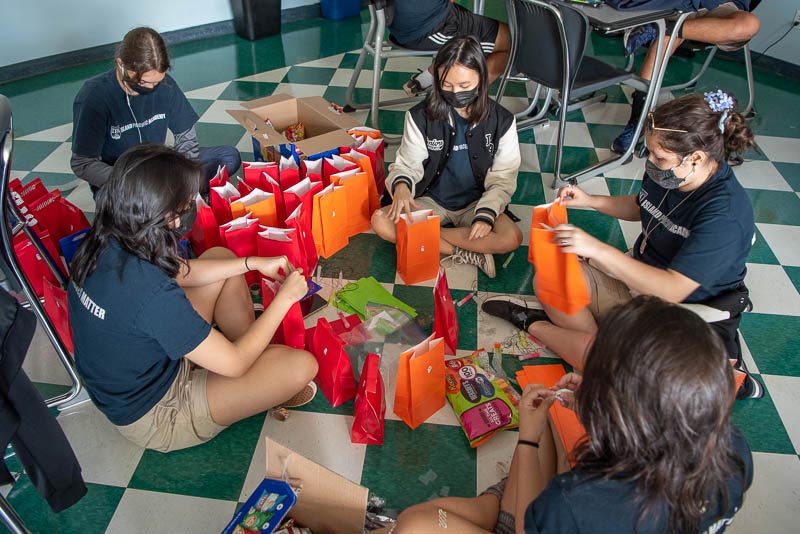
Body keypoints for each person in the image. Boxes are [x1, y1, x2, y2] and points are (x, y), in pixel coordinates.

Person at [483, 91, 762, 398]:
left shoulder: (725, 216)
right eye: (650, 151)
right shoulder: (672, 172)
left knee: (629, 373)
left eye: (659, 157)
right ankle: (599, 346)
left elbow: (672, 289)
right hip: (635, 289)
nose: (649, 161)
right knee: (549, 278)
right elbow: (643, 205)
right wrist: (591, 201)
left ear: (695, 157)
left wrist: (598, 250)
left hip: (684, 315)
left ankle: (539, 326)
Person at [395, 296, 753, 533]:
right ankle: (497, 504)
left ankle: (501, 506)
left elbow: (531, 525)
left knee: (414, 524)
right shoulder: (734, 449)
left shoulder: (578, 504)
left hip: (543, 520)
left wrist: (528, 439)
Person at [67, 144, 317, 453]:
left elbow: (178, 273)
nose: (191, 208)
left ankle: (247, 358)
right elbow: (236, 364)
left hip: (133, 375)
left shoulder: (107, 238)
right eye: (186, 203)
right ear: (163, 213)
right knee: (301, 366)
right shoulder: (149, 293)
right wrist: (285, 299)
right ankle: (252, 370)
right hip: (158, 415)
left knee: (221, 260)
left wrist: (251, 262)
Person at [371, 36, 522, 279]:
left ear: (481, 79)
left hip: (477, 202)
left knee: (512, 237)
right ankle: (464, 251)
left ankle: (425, 238)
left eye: (464, 85)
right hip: (430, 201)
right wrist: (401, 187)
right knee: (380, 221)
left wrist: (485, 215)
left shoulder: (502, 121)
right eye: (446, 85)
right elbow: (408, 164)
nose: (455, 93)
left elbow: (503, 179)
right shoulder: (419, 116)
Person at [71, 27, 241, 196]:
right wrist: (131, 182)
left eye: (157, 82)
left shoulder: (167, 86)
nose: (152, 89)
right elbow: (82, 163)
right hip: (122, 179)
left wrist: (186, 176)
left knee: (228, 156)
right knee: (138, 203)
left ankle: (175, 195)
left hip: (160, 166)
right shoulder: (94, 97)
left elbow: (186, 138)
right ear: (121, 64)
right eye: (144, 82)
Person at [609, 0, 760, 153]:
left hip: (717, 7)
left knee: (749, 24)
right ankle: (638, 123)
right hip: (675, 5)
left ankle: (665, 30)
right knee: (667, 39)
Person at [388, 1, 511, 96]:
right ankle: (461, 102)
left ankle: (428, 78)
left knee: (484, 36)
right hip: (426, 27)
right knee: (513, 42)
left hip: (406, 20)